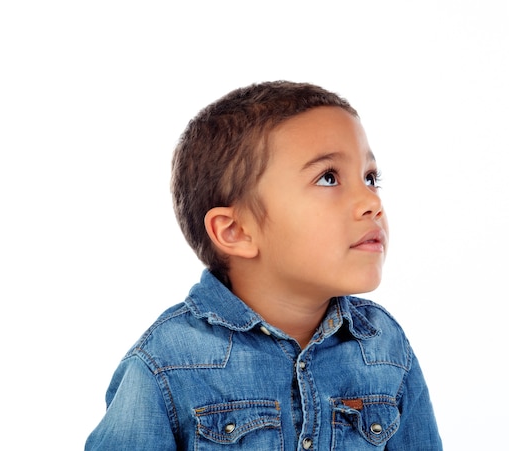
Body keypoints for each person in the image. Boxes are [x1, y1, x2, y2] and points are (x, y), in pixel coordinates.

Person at [85, 81, 442, 450]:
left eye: (370, 178)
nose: (371, 201)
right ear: (236, 231)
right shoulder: (168, 361)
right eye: (328, 177)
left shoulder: (385, 346)